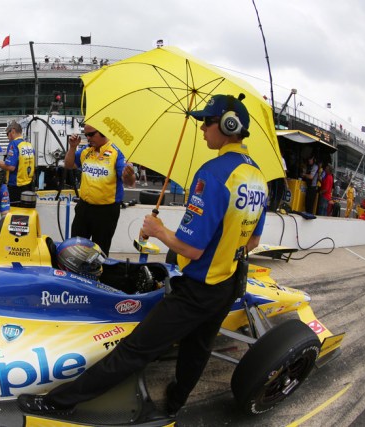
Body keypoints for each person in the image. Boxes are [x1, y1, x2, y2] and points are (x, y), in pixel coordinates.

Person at [18, 94, 268, 421]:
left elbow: (191, 249)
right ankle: (176, 401)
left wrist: (159, 230)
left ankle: (59, 403)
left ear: (227, 125)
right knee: (198, 351)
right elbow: (253, 242)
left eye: (206, 122)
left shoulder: (214, 173)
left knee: (135, 350)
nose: (202, 128)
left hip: (196, 287)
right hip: (227, 284)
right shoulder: (258, 178)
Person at [64, 124, 136, 255]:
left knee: (100, 253)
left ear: (103, 132)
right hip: (84, 208)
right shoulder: (86, 150)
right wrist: (72, 147)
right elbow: (69, 165)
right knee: (75, 249)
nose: (88, 138)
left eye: (91, 134)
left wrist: (129, 174)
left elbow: (130, 183)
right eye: (86, 135)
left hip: (106, 212)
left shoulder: (116, 153)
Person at [0, 121, 35, 203]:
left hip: (16, 186)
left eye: (7, 134)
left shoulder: (13, 144)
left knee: (15, 212)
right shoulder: (29, 145)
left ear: (13, 131)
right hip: (28, 184)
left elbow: (11, 167)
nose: (7, 137)